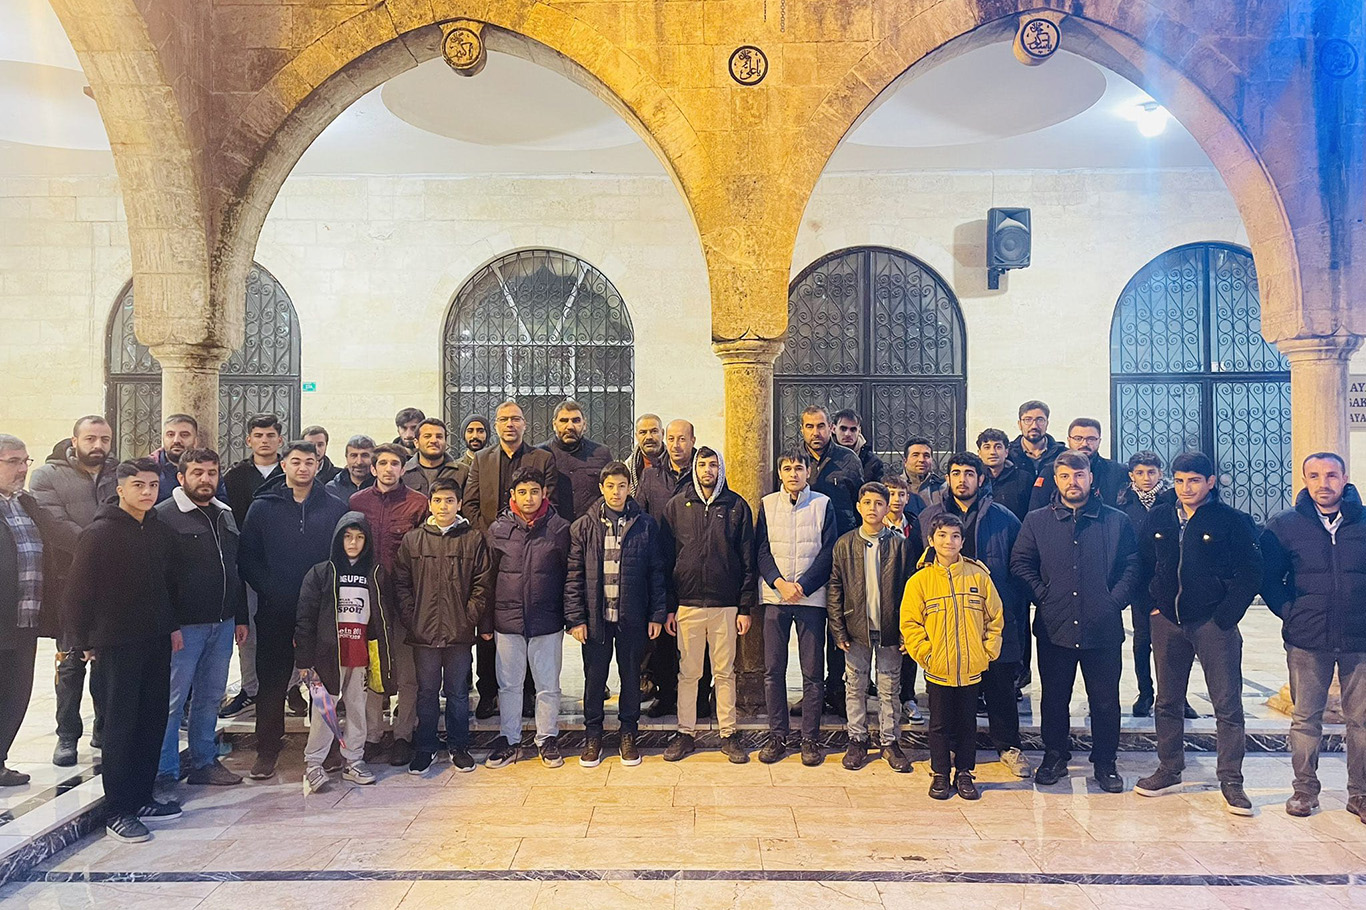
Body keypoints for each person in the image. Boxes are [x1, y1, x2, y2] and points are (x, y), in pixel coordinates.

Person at [1134, 451, 1261, 816]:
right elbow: (1142, 563)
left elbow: (1252, 571)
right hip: (1167, 622)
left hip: (1212, 624)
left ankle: (1231, 780)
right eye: (1179, 480)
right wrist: (1152, 605)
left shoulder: (1231, 520)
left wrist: (1225, 616)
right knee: (1167, 700)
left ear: (1210, 482)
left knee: (1227, 704)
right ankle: (1169, 768)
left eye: (1193, 481)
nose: (1186, 488)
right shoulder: (1160, 517)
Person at [64, 458, 180, 843]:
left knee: (152, 719)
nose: (147, 492)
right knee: (120, 724)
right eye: (138, 485)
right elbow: (78, 591)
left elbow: (168, 584)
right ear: (121, 489)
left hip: (155, 639)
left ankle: (142, 797)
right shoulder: (98, 534)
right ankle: (118, 809)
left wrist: (172, 625)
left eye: (153, 485)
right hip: (116, 643)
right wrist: (82, 642)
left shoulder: (159, 531)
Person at [1010, 450, 1139, 793]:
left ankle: (1105, 762)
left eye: (1079, 475)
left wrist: (1114, 600)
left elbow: (1132, 564)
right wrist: (1043, 595)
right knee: (1054, 698)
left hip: (1102, 627)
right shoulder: (1037, 521)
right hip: (1055, 626)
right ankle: (1055, 756)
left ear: (1090, 478)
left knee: (1105, 701)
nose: (1073, 482)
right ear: (1056, 480)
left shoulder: (1116, 521)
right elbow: (1020, 563)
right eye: (1065, 476)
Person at [1261, 452, 1366, 821]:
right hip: (1307, 639)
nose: (1324, 483)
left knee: (1361, 720)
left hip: (1359, 639)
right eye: (1315, 475)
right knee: (1306, 718)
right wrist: (1291, 613)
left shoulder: (1364, 522)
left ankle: (1360, 793)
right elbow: (1268, 578)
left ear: (1345, 477)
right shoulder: (1284, 526)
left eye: (1332, 475)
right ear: (1305, 480)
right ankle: (1304, 790)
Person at [236, 440, 349, 779]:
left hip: (320, 612)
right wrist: (270, 588)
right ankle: (267, 749)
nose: (303, 467)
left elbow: (342, 555)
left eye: (309, 461)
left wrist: (327, 593)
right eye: (296, 461)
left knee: (322, 682)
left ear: (318, 465)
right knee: (272, 682)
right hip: (275, 609)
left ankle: (326, 748)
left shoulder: (334, 507)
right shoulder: (262, 507)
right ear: (283, 465)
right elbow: (248, 557)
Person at [917, 452, 1031, 779]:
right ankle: (953, 749)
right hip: (946, 624)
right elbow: (917, 568)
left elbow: (1018, 567)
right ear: (948, 478)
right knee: (952, 692)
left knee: (1000, 688)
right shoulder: (929, 518)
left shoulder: (1004, 518)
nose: (962, 479)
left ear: (981, 479)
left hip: (992, 618)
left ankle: (1008, 746)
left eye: (969, 473)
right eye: (956, 473)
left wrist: (1007, 610)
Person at [154, 449, 248, 787]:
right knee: (172, 702)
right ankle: (165, 771)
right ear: (181, 477)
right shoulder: (164, 516)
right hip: (184, 628)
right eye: (197, 472)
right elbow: (158, 579)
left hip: (222, 624)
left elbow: (234, 568)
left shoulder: (225, 514)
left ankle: (204, 762)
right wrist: (169, 625)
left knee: (210, 698)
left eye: (211, 472)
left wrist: (240, 616)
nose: (205, 479)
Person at [565, 461, 668, 767]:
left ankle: (628, 733)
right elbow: (574, 575)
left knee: (631, 676)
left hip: (632, 616)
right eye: (610, 486)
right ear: (601, 488)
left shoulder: (645, 525)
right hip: (596, 618)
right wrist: (576, 619)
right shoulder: (583, 526)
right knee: (594, 679)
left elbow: (656, 573)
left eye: (621, 486)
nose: (616, 492)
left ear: (629, 488)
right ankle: (593, 735)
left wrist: (656, 615)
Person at [28, 415, 117, 766]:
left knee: (108, 661)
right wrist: (100, 549)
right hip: (70, 583)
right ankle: (67, 735)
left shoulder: (119, 474)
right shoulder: (47, 476)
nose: (98, 445)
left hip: (112, 583)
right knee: (71, 662)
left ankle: (104, 729)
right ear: (74, 440)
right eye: (91, 438)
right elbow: (53, 524)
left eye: (104, 439)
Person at [462, 400, 557, 718]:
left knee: (525, 622)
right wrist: (492, 535)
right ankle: (488, 692)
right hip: (490, 551)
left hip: (530, 548)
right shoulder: (482, 459)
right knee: (490, 623)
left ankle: (528, 693)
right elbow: (470, 503)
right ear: (496, 424)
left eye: (515, 419)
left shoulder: (542, 458)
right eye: (503, 419)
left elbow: (549, 500)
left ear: (524, 424)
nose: (510, 424)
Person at [660, 447, 756, 763]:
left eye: (713, 465)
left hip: (725, 606)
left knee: (725, 673)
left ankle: (729, 734)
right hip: (687, 605)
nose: (707, 470)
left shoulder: (736, 507)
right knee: (688, 673)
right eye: (702, 464)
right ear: (694, 468)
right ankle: (685, 732)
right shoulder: (677, 506)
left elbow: (747, 561)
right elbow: (666, 560)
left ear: (720, 468)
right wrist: (670, 607)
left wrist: (744, 607)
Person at [902, 512, 1003, 800]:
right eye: (943, 535)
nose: (949, 541)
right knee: (939, 724)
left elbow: (995, 618)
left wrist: (986, 652)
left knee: (967, 723)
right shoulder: (920, 581)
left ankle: (965, 773)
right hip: (938, 668)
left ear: (962, 541)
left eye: (955, 536)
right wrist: (927, 654)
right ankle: (940, 773)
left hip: (971, 667)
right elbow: (910, 624)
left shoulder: (978, 576)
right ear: (931, 540)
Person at [394, 479, 493, 775]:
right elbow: (401, 583)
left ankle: (458, 746)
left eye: (449, 500)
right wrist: (412, 618)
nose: (443, 506)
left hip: (458, 633)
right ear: (429, 504)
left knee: (457, 693)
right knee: (426, 692)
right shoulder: (413, 540)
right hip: (423, 633)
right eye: (437, 500)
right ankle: (425, 747)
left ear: (459, 504)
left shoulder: (473, 539)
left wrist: (467, 618)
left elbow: (482, 584)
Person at [294, 512, 394, 792]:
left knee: (358, 710)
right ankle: (314, 763)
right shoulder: (321, 573)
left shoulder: (375, 574)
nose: (353, 543)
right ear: (338, 539)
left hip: (360, 655)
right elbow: (305, 618)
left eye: (360, 537)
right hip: (327, 657)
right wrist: (304, 660)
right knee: (323, 711)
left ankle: (354, 760)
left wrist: (382, 658)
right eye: (347, 537)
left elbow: (383, 618)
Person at [483, 469, 571, 769]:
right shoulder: (498, 529)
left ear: (544, 493)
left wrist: (570, 617)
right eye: (522, 492)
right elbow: (487, 578)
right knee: (509, 685)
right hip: (507, 621)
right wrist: (485, 622)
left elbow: (569, 576)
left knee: (547, 685)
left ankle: (547, 738)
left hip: (546, 620)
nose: (529, 498)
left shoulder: (559, 529)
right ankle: (509, 739)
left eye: (534, 491)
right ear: (513, 496)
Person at [756, 449, 837, 766]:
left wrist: (802, 586)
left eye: (799, 468)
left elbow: (828, 551)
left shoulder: (822, 504)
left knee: (813, 673)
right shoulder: (767, 504)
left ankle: (809, 739)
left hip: (811, 599)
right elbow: (761, 550)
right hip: (776, 598)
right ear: (780, 473)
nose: (793, 473)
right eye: (787, 468)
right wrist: (780, 583)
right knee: (773, 671)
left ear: (808, 472)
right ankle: (777, 736)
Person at [350, 443, 429, 767]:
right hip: (368, 599)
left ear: (403, 468)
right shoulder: (357, 502)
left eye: (394, 463)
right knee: (373, 669)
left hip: (404, 599)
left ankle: (403, 736)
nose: (388, 469)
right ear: (373, 468)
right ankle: (372, 735)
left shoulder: (418, 503)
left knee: (408, 672)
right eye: (382, 463)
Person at [827, 482, 914, 773]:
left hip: (889, 627)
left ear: (887, 507)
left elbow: (909, 590)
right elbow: (835, 588)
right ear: (858, 506)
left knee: (889, 688)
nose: (873, 508)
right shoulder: (845, 544)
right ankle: (857, 739)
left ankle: (890, 741)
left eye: (879, 503)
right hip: (855, 627)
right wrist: (838, 628)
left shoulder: (900, 544)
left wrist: (907, 630)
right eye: (867, 503)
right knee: (855, 686)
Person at [0, 434, 61, 786]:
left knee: (16, 695)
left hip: (26, 619)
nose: (23, 468)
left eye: (25, 461)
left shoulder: (27, 504)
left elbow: (59, 537)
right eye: (13, 461)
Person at [799, 406, 863, 718]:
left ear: (831, 428)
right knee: (810, 628)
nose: (816, 432)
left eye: (821, 426)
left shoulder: (849, 460)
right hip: (807, 556)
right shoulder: (795, 460)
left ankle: (836, 688)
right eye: (810, 426)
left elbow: (859, 505)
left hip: (842, 556)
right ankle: (812, 692)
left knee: (839, 624)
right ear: (802, 429)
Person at [218, 413, 283, 718]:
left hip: (285, 563)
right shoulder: (235, 476)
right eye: (258, 435)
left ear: (279, 439)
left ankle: (290, 687)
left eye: (270, 435)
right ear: (249, 440)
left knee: (288, 627)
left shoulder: (289, 470)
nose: (264, 440)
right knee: (248, 630)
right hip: (248, 562)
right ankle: (251, 688)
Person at [636, 418, 698, 718]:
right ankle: (665, 694)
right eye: (671, 439)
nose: (676, 445)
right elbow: (639, 514)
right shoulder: (651, 476)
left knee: (695, 635)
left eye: (682, 439)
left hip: (694, 565)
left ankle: (698, 695)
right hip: (660, 565)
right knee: (662, 636)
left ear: (692, 440)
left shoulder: (702, 471)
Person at [1114, 450, 1181, 718]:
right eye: (1140, 473)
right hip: (1139, 582)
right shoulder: (1123, 504)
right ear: (1131, 475)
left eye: (1151, 472)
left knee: (1174, 641)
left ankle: (1176, 695)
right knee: (1142, 640)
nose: (1146, 478)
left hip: (1170, 581)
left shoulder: (1172, 502)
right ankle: (1145, 693)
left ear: (1160, 473)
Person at [883, 474, 925, 726]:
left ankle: (908, 697)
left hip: (910, 595)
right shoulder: (873, 526)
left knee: (909, 647)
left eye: (901, 494)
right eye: (890, 494)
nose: (896, 499)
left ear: (908, 498)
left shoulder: (917, 527)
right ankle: (884, 699)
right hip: (881, 597)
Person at [1027, 418, 1127, 510]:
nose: (1084, 444)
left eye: (1091, 439)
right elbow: (1036, 511)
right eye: (1078, 438)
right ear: (1069, 440)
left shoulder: (1117, 471)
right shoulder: (1050, 471)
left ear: (1099, 441)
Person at [541, 399, 613, 520]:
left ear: (584, 425)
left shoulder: (602, 453)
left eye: (576, 421)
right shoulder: (541, 454)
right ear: (554, 424)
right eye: (564, 421)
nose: (570, 426)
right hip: (551, 527)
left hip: (591, 526)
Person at [1009, 400, 1067, 490]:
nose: (1034, 426)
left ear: (1047, 423)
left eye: (1040, 420)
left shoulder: (1063, 455)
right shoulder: (1007, 455)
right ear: (1020, 424)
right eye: (1028, 420)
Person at [977, 428, 1031, 522]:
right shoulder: (974, 479)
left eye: (998, 447)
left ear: (1006, 452)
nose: (992, 452)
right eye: (987, 447)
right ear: (979, 453)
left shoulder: (1023, 478)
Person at [402, 418, 462, 498]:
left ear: (446, 442)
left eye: (439, 437)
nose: (433, 440)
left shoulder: (462, 472)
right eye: (427, 436)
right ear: (416, 443)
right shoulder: (402, 472)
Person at [150, 414, 199, 503]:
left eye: (184, 435)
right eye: (170, 435)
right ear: (163, 439)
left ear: (195, 441)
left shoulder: (207, 469)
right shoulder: (148, 468)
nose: (176, 440)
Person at [833, 409, 885, 483]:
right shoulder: (824, 457)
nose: (848, 434)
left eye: (853, 429)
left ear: (859, 431)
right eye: (843, 429)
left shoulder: (873, 463)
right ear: (833, 429)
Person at [325, 434, 376, 501]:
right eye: (354, 455)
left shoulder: (382, 488)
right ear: (347, 458)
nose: (359, 462)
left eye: (365, 455)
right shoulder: (332, 490)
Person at [625, 413, 666, 495]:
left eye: (654, 431)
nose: (649, 437)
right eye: (643, 432)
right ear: (636, 436)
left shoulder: (675, 464)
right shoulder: (628, 467)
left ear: (662, 433)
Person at [901, 436, 945, 508]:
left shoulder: (943, 488)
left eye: (926, 456)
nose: (921, 460)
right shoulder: (895, 487)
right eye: (915, 455)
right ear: (905, 461)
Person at [452, 415, 489, 491]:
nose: (475, 436)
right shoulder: (455, 468)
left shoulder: (495, 464)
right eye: (470, 431)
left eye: (480, 431)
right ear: (464, 435)